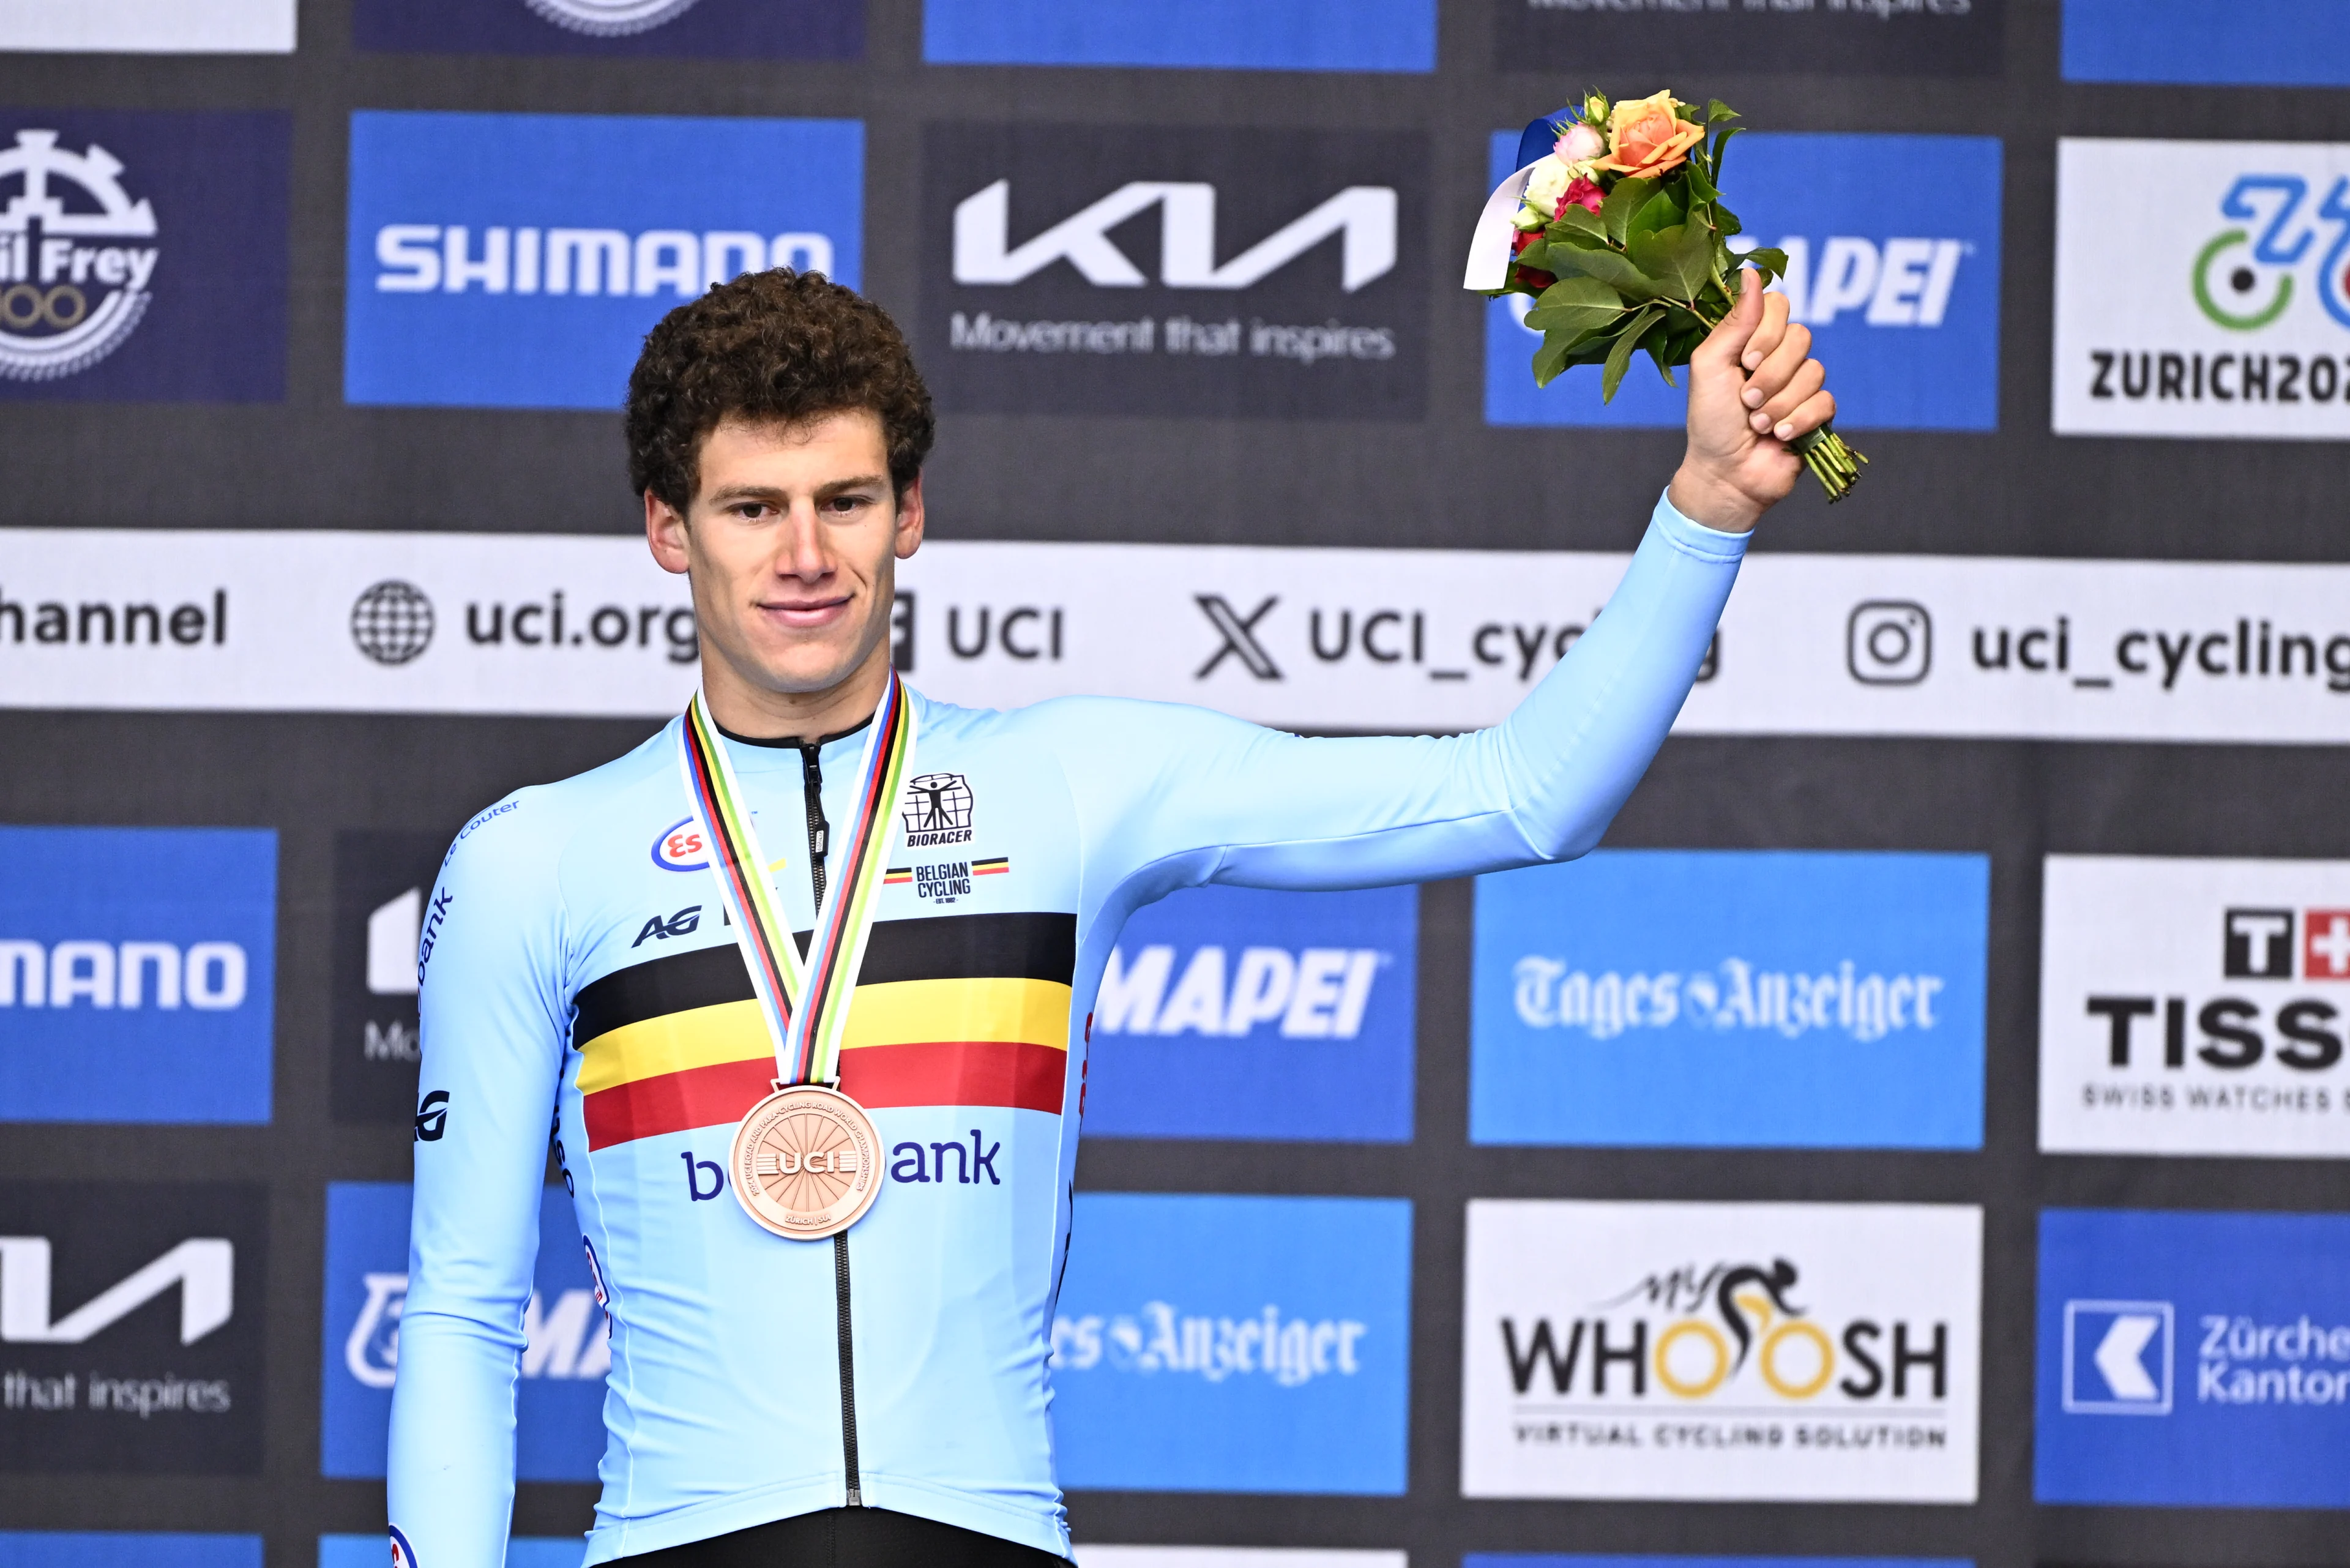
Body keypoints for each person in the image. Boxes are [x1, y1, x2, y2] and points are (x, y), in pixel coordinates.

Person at [387, 265, 1835, 1568]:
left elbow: (1527, 796)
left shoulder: (1071, 786)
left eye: (847, 501)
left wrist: (1704, 510)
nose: (805, 556)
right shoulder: (538, 859)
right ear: (666, 528)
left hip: (991, 1534)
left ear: (912, 514)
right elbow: (459, 1310)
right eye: (751, 508)